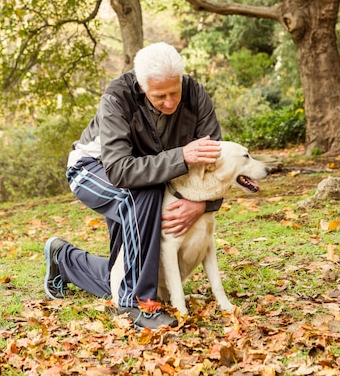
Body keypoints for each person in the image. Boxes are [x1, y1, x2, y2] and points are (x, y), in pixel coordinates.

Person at [44, 42, 222, 330]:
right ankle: (135, 303)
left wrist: (203, 203)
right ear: (141, 86)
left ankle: (64, 259)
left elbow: (216, 160)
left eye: (174, 92)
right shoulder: (116, 98)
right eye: (159, 96)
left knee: (126, 269)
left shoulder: (196, 95)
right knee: (141, 199)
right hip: (93, 170)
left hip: (146, 178)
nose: (170, 102)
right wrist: (181, 156)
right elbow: (120, 170)